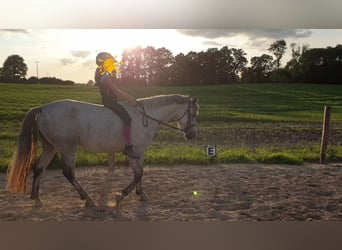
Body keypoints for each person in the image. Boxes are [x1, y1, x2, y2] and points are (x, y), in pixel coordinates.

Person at [95, 52, 139, 158]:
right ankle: (128, 147)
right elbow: (117, 91)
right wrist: (130, 100)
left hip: (112, 102)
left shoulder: (104, 73)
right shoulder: (105, 76)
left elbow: (117, 91)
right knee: (128, 120)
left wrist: (130, 97)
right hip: (110, 103)